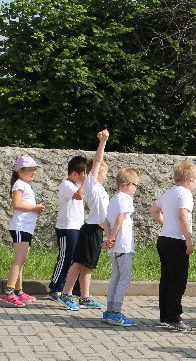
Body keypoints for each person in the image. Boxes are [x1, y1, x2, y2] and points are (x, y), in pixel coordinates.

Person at [59, 130, 110, 311]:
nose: (106, 176)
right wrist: (103, 142)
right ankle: (66, 293)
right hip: (90, 230)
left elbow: (105, 214)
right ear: (95, 173)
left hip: (98, 230)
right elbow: (97, 161)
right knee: (79, 262)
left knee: (88, 266)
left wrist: (109, 235)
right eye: (104, 173)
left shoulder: (100, 189)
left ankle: (85, 297)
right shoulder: (91, 183)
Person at [150, 160, 196, 331]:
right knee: (178, 281)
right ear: (190, 180)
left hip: (164, 238)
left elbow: (154, 210)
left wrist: (165, 224)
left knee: (166, 279)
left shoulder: (169, 192)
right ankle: (173, 317)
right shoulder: (185, 194)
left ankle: (165, 315)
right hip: (177, 240)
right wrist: (188, 239)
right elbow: (183, 215)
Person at [2, 155, 45, 307]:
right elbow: (17, 205)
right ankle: (9, 292)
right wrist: (35, 207)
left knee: (22, 260)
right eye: (30, 169)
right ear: (20, 171)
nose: (34, 172)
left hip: (26, 227)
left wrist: (35, 209)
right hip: (20, 227)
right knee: (19, 260)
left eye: (34, 169)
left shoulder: (25, 185)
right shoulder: (19, 184)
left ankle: (18, 291)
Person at [102, 168, 139, 327]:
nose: (135, 189)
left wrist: (109, 238)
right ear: (128, 184)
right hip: (123, 245)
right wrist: (112, 237)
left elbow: (105, 222)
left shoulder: (113, 199)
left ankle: (109, 310)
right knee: (125, 278)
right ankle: (116, 312)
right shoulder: (126, 198)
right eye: (135, 185)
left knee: (115, 277)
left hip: (115, 247)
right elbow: (120, 218)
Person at [48, 156, 87, 302]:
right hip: (67, 228)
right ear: (74, 173)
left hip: (77, 227)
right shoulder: (66, 184)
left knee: (77, 259)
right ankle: (56, 287)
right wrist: (86, 182)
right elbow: (78, 196)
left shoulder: (77, 185)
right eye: (83, 174)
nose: (85, 178)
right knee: (65, 258)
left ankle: (73, 288)